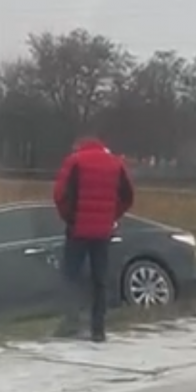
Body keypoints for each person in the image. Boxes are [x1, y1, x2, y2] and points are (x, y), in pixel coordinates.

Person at [52, 136, 134, 343]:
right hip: (102, 232)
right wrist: (111, 216)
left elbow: (60, 194)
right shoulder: (116, 163)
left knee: (70, 275)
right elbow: (128, 196)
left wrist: (69, 217)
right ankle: (98, 329)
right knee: (100, 280)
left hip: (77, 229)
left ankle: (71, 322)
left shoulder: (75, 161)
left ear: (79, 147)